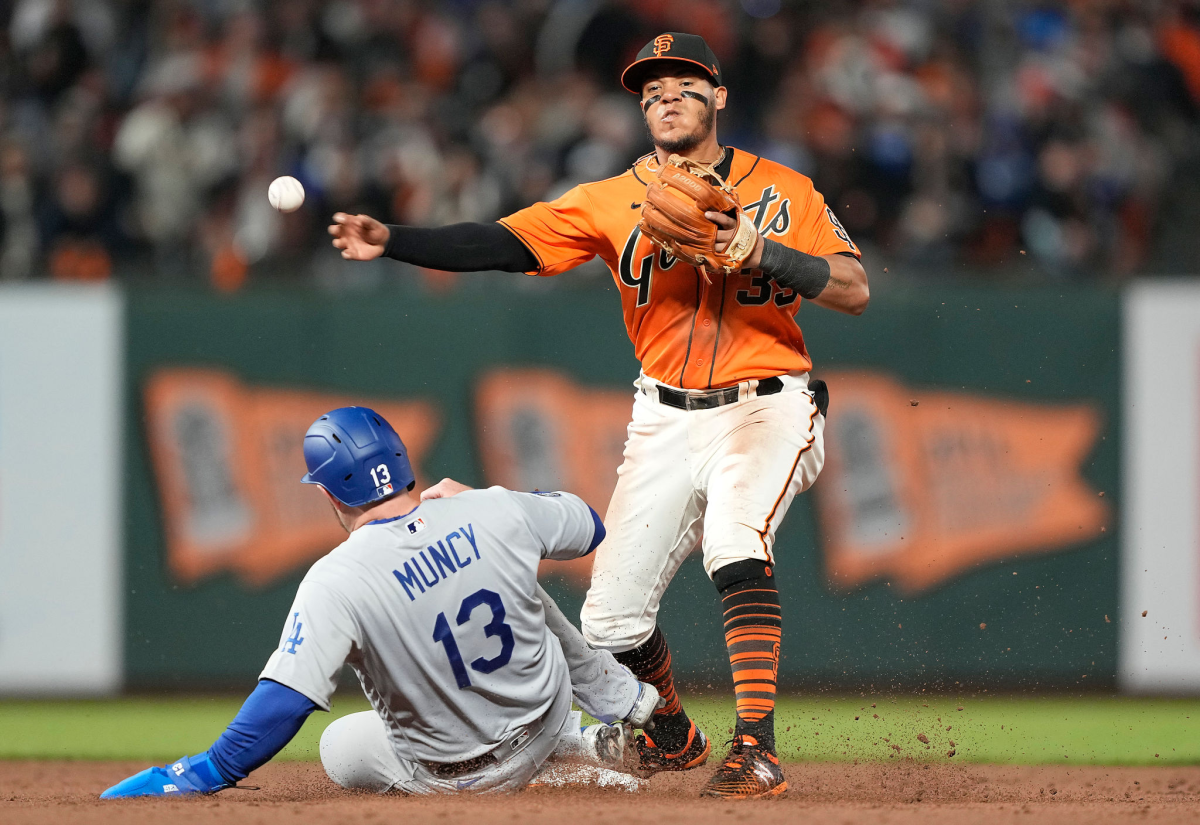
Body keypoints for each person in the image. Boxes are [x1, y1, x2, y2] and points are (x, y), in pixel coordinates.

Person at [328, 32, 868, 798]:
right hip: (665, 417)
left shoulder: (786, 188)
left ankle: (757, 747)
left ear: (719, 95)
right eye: (650, 91)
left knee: (733, 538)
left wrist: (761, 251)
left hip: (769, 401)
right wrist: (396, 242)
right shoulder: (615, 197)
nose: (663, 97)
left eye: (682, 83)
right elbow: (506, 243)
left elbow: (853, 288)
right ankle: (676, 734)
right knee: (610, 623)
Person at [100, 406, 659, 798]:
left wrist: (206, 771)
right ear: (403, 462)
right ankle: (585, 740)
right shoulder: (490, 511)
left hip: (453, 776)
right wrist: (491, 499)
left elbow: (285, 700)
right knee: (515, 574)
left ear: (327, 491)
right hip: (543, 721)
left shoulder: (336, 578)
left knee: (338, 744)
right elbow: (587, 526)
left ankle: (575, 749)